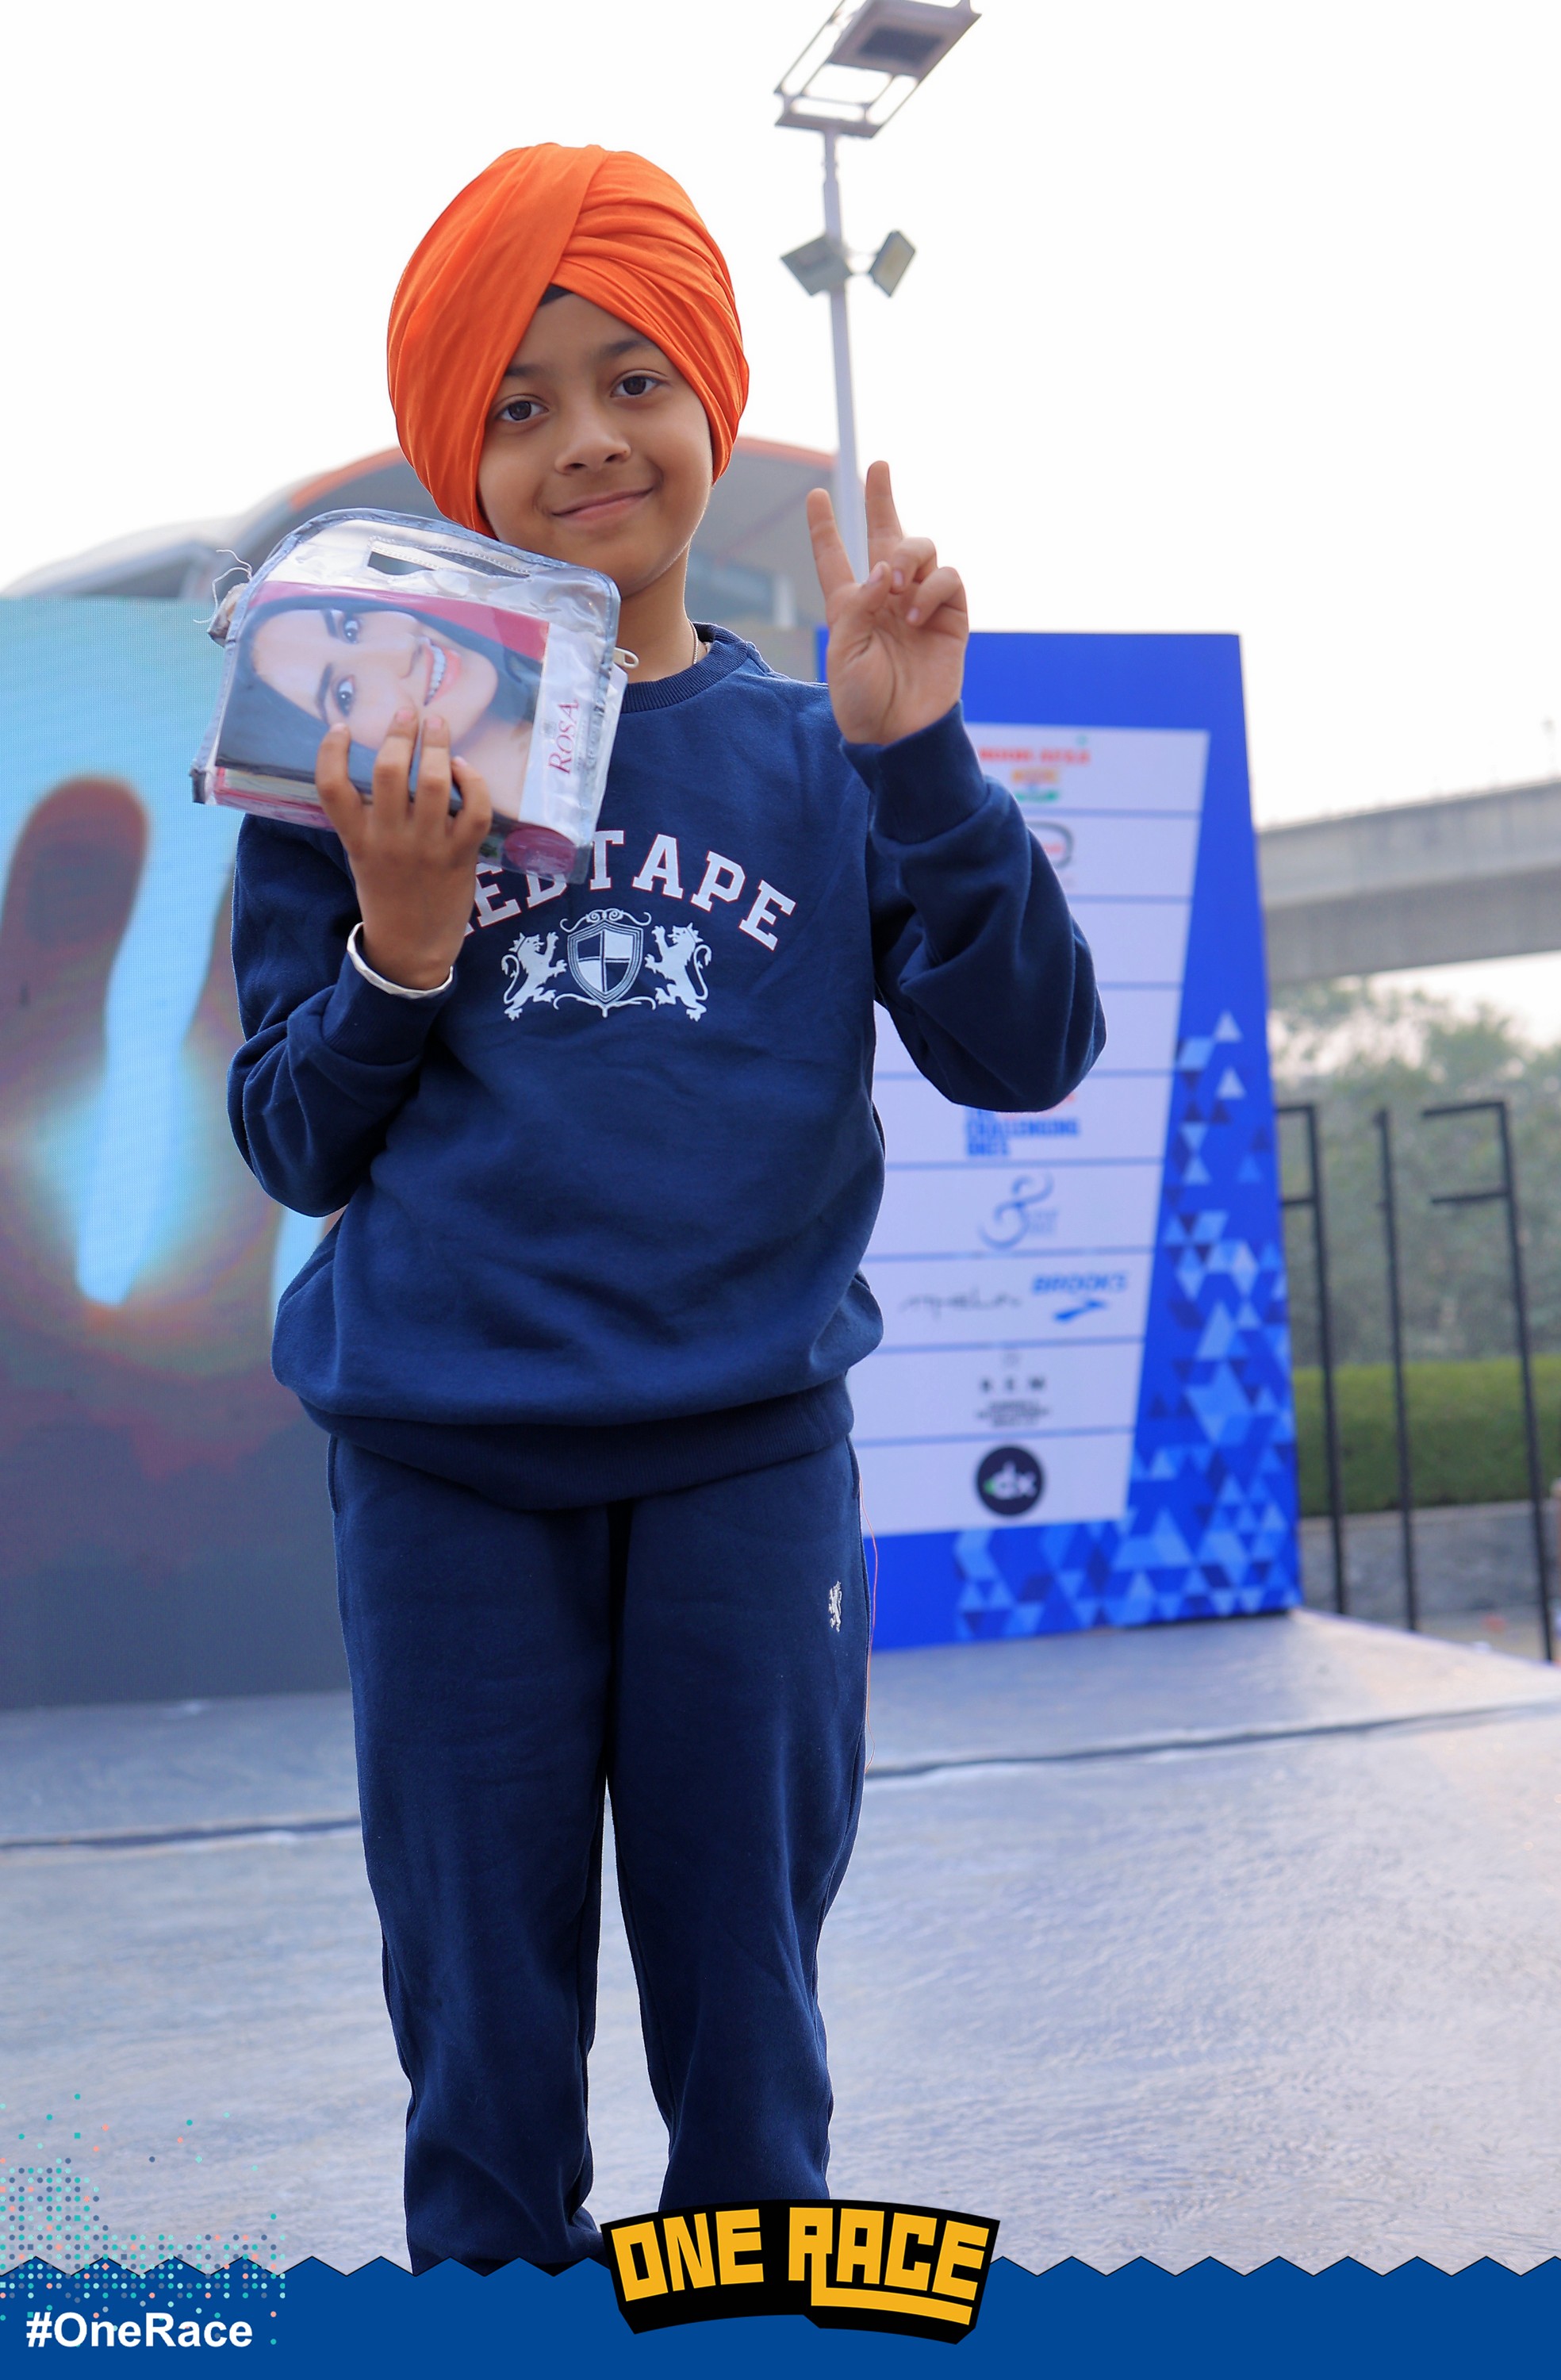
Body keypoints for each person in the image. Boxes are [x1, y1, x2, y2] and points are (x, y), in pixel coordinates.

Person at [227, 141, 1104, 2274]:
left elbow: (1027, 1050)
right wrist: (400, 939)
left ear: (710, 397)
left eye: (631, 380)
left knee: (751, 2042)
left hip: (745, 1471)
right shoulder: (358, 760)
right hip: (446, 1475)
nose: (586, 442)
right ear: (457, 457)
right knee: (480, 2050)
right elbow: (293, 1139)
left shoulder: (818, 753)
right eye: (519, 405)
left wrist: (921, 763)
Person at [220, 594, 544, 819]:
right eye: (345, 694)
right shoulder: (312, 857)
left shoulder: (560, 644)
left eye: (350, 628)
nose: (401, 648)